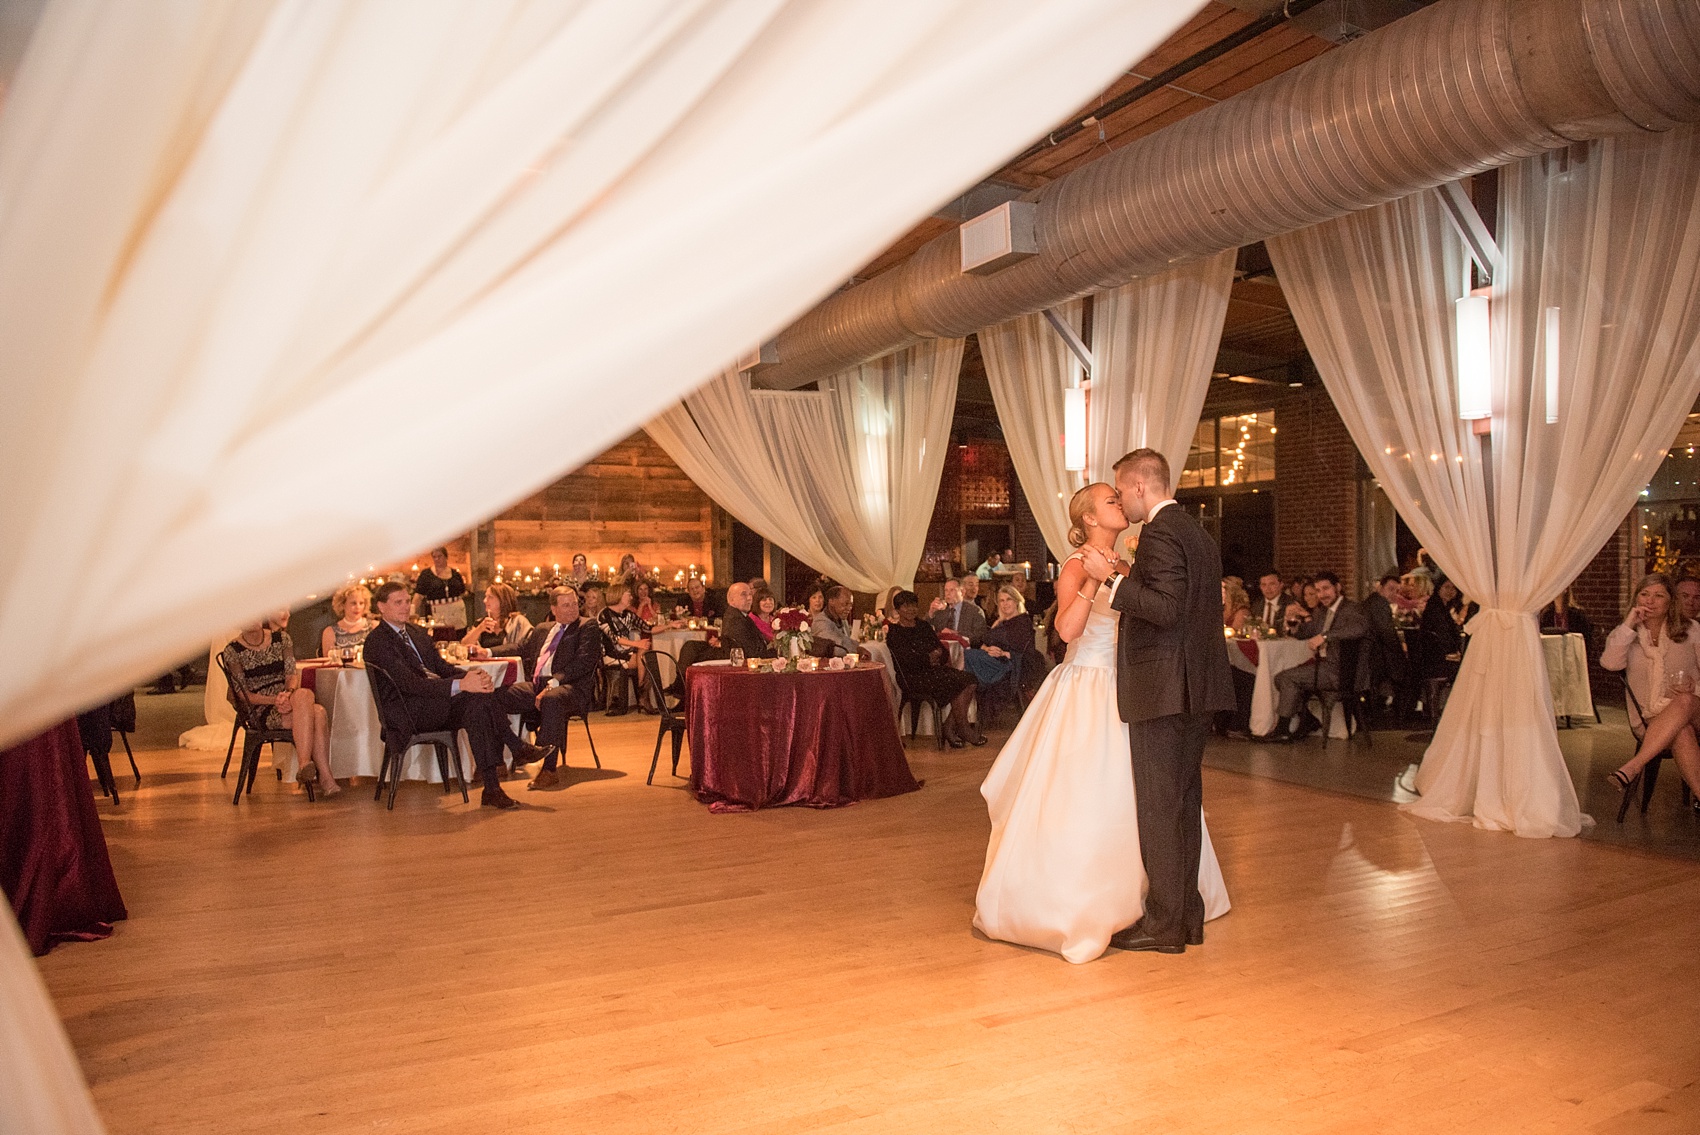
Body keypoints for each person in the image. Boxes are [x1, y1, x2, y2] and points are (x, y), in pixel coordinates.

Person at [983, 473, 1230, 962]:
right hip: (1090, 687)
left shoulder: (1135, 561)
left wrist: (1117, 571)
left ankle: (1166, 904)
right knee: (1094, 795)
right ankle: (1092, 901)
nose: (1119, 503)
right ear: (1089, 519)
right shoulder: (1077, 563)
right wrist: (1096, 576)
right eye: (1109, 500)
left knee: (1153, 798)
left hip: (1138, 686)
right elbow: (1068, 629)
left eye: (1120, 496)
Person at [362, 581, 518, 809]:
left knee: (479, 700)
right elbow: (411, 685)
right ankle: (513, 751)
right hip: (408, 712)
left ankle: (493, 788)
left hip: (433, 704)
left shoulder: (415, 632)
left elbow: (442, 667)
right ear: (381, 607)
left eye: (407, 601)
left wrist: (472, 677)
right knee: (476, 699)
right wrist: (462, 685)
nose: (406, 607)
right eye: (398, 603)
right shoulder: (377, 642)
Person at [1601, 574, 1700, 806]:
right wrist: (1629, 624)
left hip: (1696, 709)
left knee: (1684, 701)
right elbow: (1610, 663)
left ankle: (1633, 767)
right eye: (1644, 594)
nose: (1650, 601)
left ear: (1670, 602)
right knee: (1681, 731)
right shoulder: (1627, 634)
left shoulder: (1692, 629)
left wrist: (1694, 687)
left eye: (1658, 596)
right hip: (1650, 719)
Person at [489, 586, 600, 791]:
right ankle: (502, 759)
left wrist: (552, 684)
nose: (572, 609)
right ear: (554, 608)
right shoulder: (543, 628)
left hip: (571, 687)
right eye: (566, 605)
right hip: (537, 684)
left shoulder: (588, 626)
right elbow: (519, 648)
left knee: (552, 699)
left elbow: (583, 663)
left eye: (575, 603)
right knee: (494, 696)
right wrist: (486, 652)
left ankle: (549, 770)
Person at [224, 616, 338, 795]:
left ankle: (304, 766)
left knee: (303, 694)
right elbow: (241, 694)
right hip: (260, 707)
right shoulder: (233, 650)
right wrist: (274, 700)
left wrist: (288, 694)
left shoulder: (281, 639)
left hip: (288, 699)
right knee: (319, 712)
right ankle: (325, 778)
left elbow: (291, 674)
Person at [1270, 570, 1369, 742]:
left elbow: (1358, 629)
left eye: (1326, 589)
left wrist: (1325, 636)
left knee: (1286, 678)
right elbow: (1307, 632)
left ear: (1337, 587)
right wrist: (1291, 623)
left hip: (1342, 672)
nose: (1322, 594)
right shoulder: (1323, 612)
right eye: (1318, 590)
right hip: (1324, 666)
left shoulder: (1352, 609)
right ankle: (1307, 720)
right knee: (1280, 678)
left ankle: (1283, 729)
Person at [885, 590, 983, 747]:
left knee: (970, 680)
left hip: (933, 671)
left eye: (914, 605)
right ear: (897, 610)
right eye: (905, 606)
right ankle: (962, 728)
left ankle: (951, 725)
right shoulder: (895, 632)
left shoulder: (923, 626)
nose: (911, 609)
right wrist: (927, 658)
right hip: (913, 676)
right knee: (956, 682)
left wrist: (938, 654)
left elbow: (941, 650)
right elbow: (904, 660)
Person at [963, 584, 1034, 694]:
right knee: (967, 654)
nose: (1005, 604)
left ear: (1016, 601)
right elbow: (983, 640)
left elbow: (1023, 654)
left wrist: (1002, 653)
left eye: (1008, 599)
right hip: (992, 658)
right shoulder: (999, 622)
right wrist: (986, 648)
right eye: (1001, 601)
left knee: (969, 656)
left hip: (1009, 665)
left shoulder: (1022, 622)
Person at [599, 582, 654, 714]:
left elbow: (648, 628)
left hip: (627, 652)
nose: (630, 597)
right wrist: (637, 644)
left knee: (646, 654)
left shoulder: (627, 614)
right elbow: (615, 638)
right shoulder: (605, 615)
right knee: (646, 656)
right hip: (611, 654)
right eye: (628, 594)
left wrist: (671, 626)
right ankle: (642, 694)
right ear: (619, 596)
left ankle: (641, 690)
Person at [1363, 571, 1410, 722]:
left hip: (1370, 655)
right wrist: (1402, 652)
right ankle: (1401, 714)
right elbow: (1387, 634)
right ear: (1380, 588)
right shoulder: (1379, 604)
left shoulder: (1371, 601)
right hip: (1376, 657)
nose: (1394, 594)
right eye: (1391, 589)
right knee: (1409, 670)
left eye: (1397, 591)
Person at [462, 582, 531, 654]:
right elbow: (464, 646)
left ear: (503, 600)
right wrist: (479, 629)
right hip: (486, 664)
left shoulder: (518, 621)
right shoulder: (481, 623)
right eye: (485, 596)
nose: (485, 601)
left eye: (490, 597)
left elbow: (528, 646)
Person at [810, 585, 871, 660]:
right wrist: (857, 649)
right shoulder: (820, 622)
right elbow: (836, 648)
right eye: (845, 604)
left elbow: (846, 640)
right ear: (831, 601)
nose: (849, 609)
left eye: (850, 605)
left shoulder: (842, 619)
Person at [413, 546, 468, 625]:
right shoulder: (426, 575)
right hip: (436, 613)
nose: (437, 559)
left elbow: (462, 592)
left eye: (439, 556)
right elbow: (418, 596)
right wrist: (412, 612)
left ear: (446, 557)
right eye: (434, 557)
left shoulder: (455, 574)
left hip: (456, 614)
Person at [929, 576, 989, 646]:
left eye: (952, 590)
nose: (948, 593)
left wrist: (956, 634)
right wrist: (931, 613)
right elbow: (927, 631)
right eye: (946, 590)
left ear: (962, 592)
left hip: (966, 651)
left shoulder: (975, 611)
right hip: (943, 649)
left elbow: (980, 637)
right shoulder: (941, 611)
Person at [321, 582, 375, 658]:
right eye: (353, 603)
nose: (358, 607)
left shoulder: (374, 627)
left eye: (361, 603)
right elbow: (329, 662)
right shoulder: (330, 632)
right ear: (342, 605)